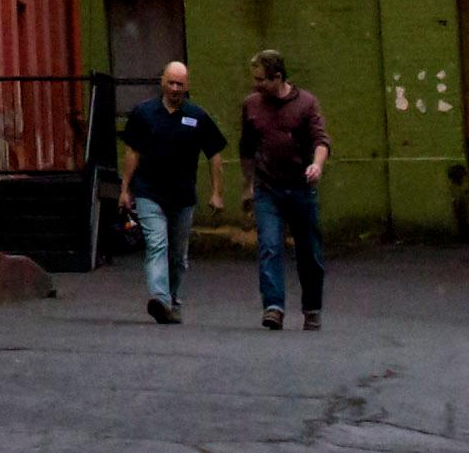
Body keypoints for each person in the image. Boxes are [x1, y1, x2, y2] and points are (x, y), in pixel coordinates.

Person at [116, 57, 227, 323]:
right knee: (157, 245)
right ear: (162, 83)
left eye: (180, 84)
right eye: (171, 83)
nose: (175, 88)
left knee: (177, 256)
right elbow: (133, 151)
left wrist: (217, 192)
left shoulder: (197, 117)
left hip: (182, 196)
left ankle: (172, 298)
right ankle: (159, 298)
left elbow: (214, 155)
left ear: (187, 86)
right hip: (148, 192)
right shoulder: (144, 113)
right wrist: (125, 189)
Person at [238, 47, 331, 331]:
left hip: (301, 189)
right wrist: (248, 185)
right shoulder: (251, 105)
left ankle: (312, 308)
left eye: (261, 80)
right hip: (268, 189)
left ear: (278, 78)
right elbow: (247, 148)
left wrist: (316, 165)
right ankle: (274, 306)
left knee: (309, 251)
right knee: (269, 246)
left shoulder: (306, 104)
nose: (256, 85)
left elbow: (321, 140)